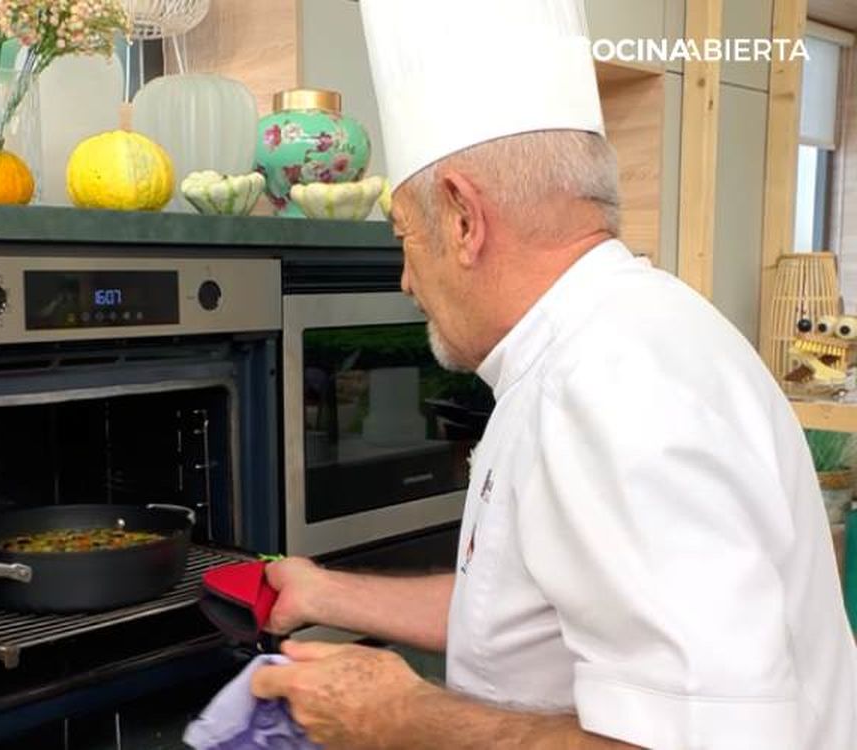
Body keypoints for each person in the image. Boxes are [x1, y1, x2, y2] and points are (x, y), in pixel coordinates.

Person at [250, 1, 857, 748]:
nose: (406, 278)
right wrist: (327, 592)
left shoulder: (617, 388)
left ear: (464, 220)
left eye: (405, 237)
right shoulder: (590, 346)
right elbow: (526, 609)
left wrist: (398, 716)